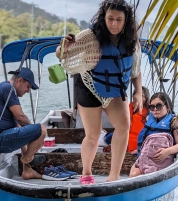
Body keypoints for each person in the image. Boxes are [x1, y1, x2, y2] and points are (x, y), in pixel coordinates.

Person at [56, 0, 143, 184]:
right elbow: (62, 54)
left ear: (126, 21)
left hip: (113, 88)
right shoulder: (90, 36)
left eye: (119, 20)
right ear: (104, 17)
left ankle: (114, 176)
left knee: (124, 126)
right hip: (88, 84)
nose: (114, 24)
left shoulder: (131, 40)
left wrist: (138, 92)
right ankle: (86, 173)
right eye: (110, 18)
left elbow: (135, 68)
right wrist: (64, 46)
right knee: (93, 134)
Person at [0, 67, 47, 180]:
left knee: (25, 128)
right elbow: (20, 117)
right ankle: (27, 158)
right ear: (20, 80)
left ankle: (27, 169)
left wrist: (31, 136)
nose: (28, 91)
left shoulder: (8, 91)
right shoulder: (7, 88)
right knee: (42, 129)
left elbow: (19, 125)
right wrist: (37, 133)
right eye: (28, 86)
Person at [129, 92, 178, 177]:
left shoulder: (174, 122)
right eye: (152, 107)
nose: (155, 110)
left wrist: (167, 151)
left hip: (163, 161)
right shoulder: (148, 119)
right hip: (144, 159)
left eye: (159, 106)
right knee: (133, 175)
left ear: (167, 107)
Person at [128, 86, 150, 154]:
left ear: (145, 98)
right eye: (135, 93)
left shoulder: (150, 111)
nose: (136, 96)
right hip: (126, 144)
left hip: (139, 147)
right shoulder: (128, 107)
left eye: (141, 95)